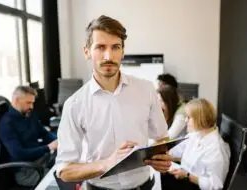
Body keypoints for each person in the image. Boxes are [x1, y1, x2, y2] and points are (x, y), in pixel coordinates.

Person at [56, 15, 172, 189]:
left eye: (115, 47)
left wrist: (160, 158)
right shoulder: (74, 105)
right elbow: (64, 171)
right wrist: (107, 163)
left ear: (123, 52)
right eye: (100, 47)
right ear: (87, 51)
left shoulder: (146, 89)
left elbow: (161, 138)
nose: (109, 56)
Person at [161, 98, 230, 190]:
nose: (186, 120)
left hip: (193, 186)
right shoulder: (196, 134)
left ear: (200, 119)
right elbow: (176, 151)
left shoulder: (216, 149)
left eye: (188, 117)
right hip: (183, 177)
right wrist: (162, 157)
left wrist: (187, 175)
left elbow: (215, 186)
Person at [0, 86, 58, 186]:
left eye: (32, 103)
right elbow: (19, 153)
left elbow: (44, 134)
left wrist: (58, 140)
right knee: (62, 178)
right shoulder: (6, 124)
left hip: (41, 160)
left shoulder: (29, 114)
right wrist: (48, 147)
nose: (32, 107)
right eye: (28, 103)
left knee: (71, 164)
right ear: (16, 100)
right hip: (26, 170)